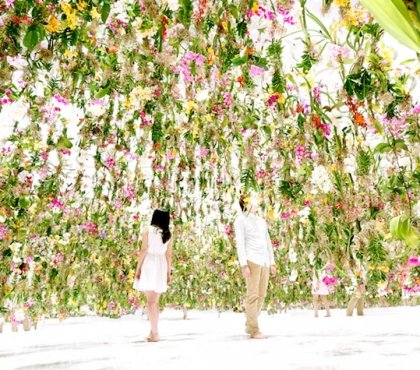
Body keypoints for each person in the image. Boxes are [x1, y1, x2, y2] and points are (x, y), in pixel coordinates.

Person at [234, 193, 276, 339]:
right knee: (252, 295)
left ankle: (250, 322)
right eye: (253, 199)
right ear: (245, 203)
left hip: (263, 260)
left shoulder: (261, 220)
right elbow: (240, 243)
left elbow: (267, 242)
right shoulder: (240, 220)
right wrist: (243, 264)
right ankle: (253, 329)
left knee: (262, 294)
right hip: (252, 260)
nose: (257, 201)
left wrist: (272, 262)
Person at [133, 209, 173, 342]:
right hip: (161, 264)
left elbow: (143, 250)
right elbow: (169, 255)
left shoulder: (147, 230)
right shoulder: (167, 234)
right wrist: (168, 272)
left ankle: (155, 333)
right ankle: (152, 331)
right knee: (154, 301)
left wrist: (138, 268)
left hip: (150, 263)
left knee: (151, 302)